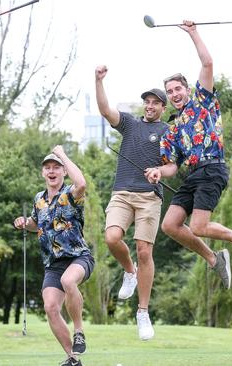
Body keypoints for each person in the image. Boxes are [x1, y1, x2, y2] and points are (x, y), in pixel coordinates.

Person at [144, 20, 232, 290]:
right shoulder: (172, 130)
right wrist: (160, 172)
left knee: (198, 226)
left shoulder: (203, 100)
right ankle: (214, 259)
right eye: (170, 92)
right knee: (170, 225)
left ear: (187, 89)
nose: (174, 94)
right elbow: (172, 166)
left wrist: (194, 33)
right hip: (193, 175)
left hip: (213, 169)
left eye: (178, 89)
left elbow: (207, 64)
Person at [95, 65, 168, 341]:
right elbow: (105, 111)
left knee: (144, 251)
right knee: (112, 237)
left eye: (155, 103)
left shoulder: (167, 131)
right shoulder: (130, 124)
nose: (149, 106)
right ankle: (129, 272)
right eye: (147, 102)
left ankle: (143, 311)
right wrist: (98, 81)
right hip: (122, 192)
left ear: (163, 107)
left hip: (149, 196)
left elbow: (173, 164)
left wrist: (159, 171)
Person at [13, 146, 93, 366]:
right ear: (42, 173)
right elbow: (35, 224)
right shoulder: (39, 199)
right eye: (47, 167)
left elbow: (82, 184)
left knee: (69, 281)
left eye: (56, 167)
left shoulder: (70, 194)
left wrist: (63, 156)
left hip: (78, 257)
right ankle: (73, 359)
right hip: (53, 264)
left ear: (63, 171)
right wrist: (23, 223)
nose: (51, 171)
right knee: (50, 307)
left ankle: (79, 331)